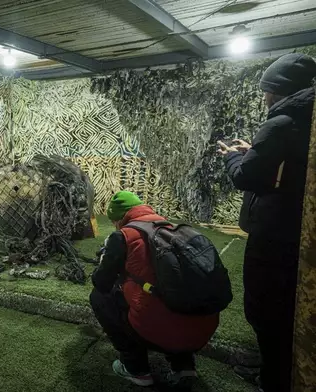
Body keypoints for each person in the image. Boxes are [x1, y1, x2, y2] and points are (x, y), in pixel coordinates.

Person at [218, 53, 316, 392]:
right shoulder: (304, 120)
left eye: (266, 90)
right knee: (281, 308)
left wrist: (233, 156)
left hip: (272, 234)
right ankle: (273, 369)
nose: (264, 97)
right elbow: (278, 171)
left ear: (278, 90)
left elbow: (247, 176)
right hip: (291, 230)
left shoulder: (281, 123)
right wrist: (252, 151)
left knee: (264, 307)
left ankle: (272, 379)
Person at [89, 191, 219, 387]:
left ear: (119, 219)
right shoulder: (176, 230)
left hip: (159, 330)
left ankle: (136, 368)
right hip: (204, 330)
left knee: (100, 297)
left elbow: (101, 282)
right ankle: (183, 365)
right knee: (173, 292)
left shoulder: (123, 236)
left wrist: (107, 259)